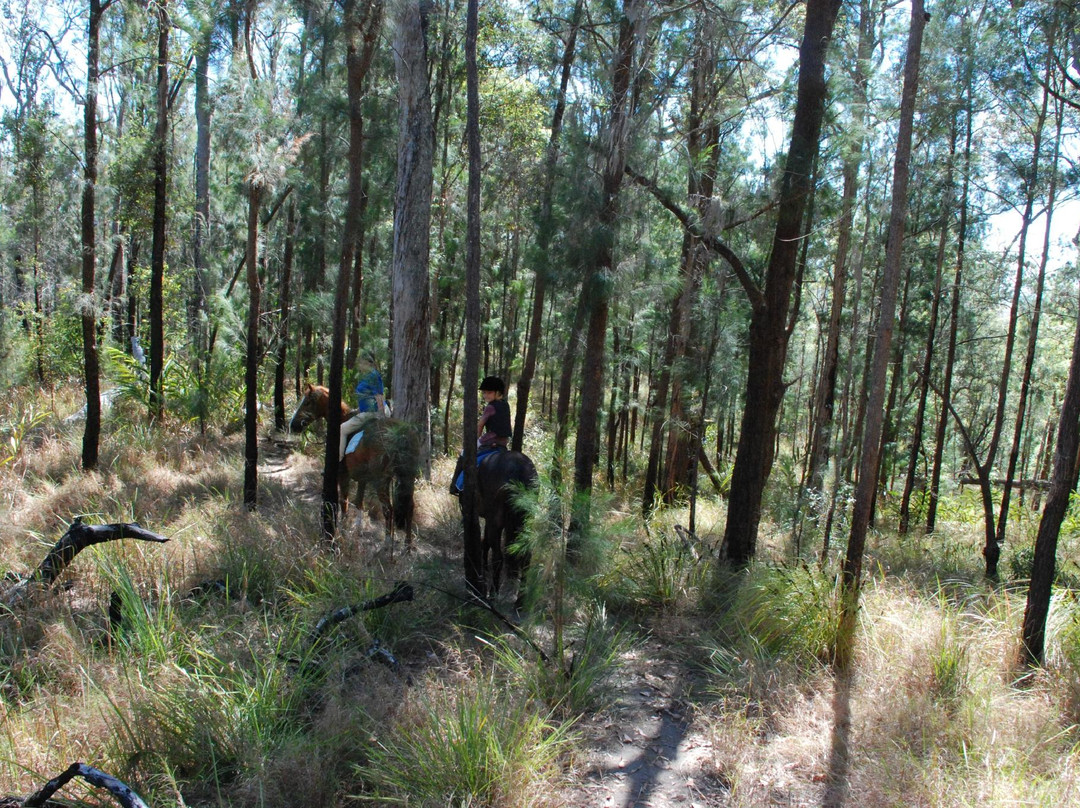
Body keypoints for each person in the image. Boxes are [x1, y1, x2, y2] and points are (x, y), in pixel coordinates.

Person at [450, 375, 512, 495]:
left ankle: (456, 487)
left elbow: (480, 425)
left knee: (464, 453)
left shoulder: (490, 407)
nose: (486, 395)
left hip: (489, 441)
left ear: (497, 392)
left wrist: (475, 441)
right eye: (484, 393)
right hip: (503, 443)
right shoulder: (506, 405)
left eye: (489, 392)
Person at [340, 354, 387, 461]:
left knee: (342, 428)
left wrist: (381, 415)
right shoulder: (367, 376)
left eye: (361, 363)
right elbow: (366, 397)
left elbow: (379, 396)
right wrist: (357, 410)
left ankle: (338, 460)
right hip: (366, 411)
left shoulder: (373, 376)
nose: (359, 366)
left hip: (373, 412)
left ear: (367, 363)